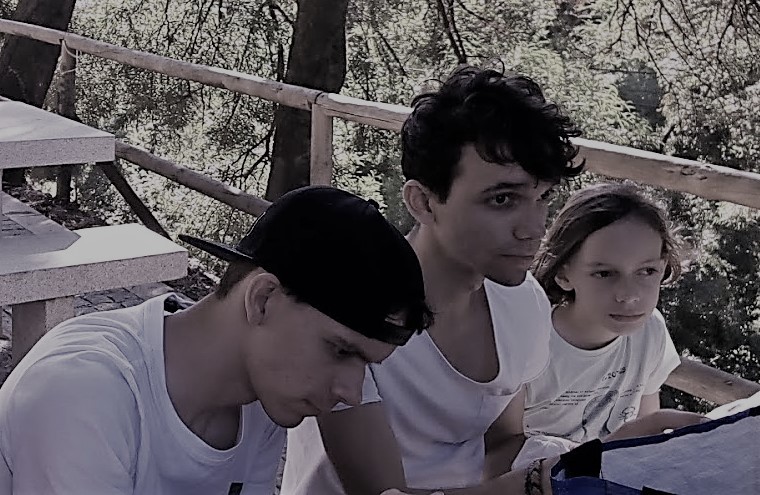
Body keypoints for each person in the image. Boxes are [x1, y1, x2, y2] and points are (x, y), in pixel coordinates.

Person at [0, 185, 434, 495]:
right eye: (340, 350)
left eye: (366, 365)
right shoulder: (83, 392)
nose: (352, 394)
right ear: (263, 299)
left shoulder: (263, 403)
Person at [281, 66, 584, 495]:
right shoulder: (352, 312)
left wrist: (586, 461)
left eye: (543, 198)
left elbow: (501, 445)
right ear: (423, 202)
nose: (534, 228)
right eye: (503, 199)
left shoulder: (526, 303)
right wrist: (537, 485)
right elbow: (382, 494)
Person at [512, 182, 704, 469]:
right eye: (604, 273)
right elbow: (498, 451)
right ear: (563, 274)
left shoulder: (650, 330)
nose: (629, 295)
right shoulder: (528, 340)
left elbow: (645, 428)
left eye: (647, 271)